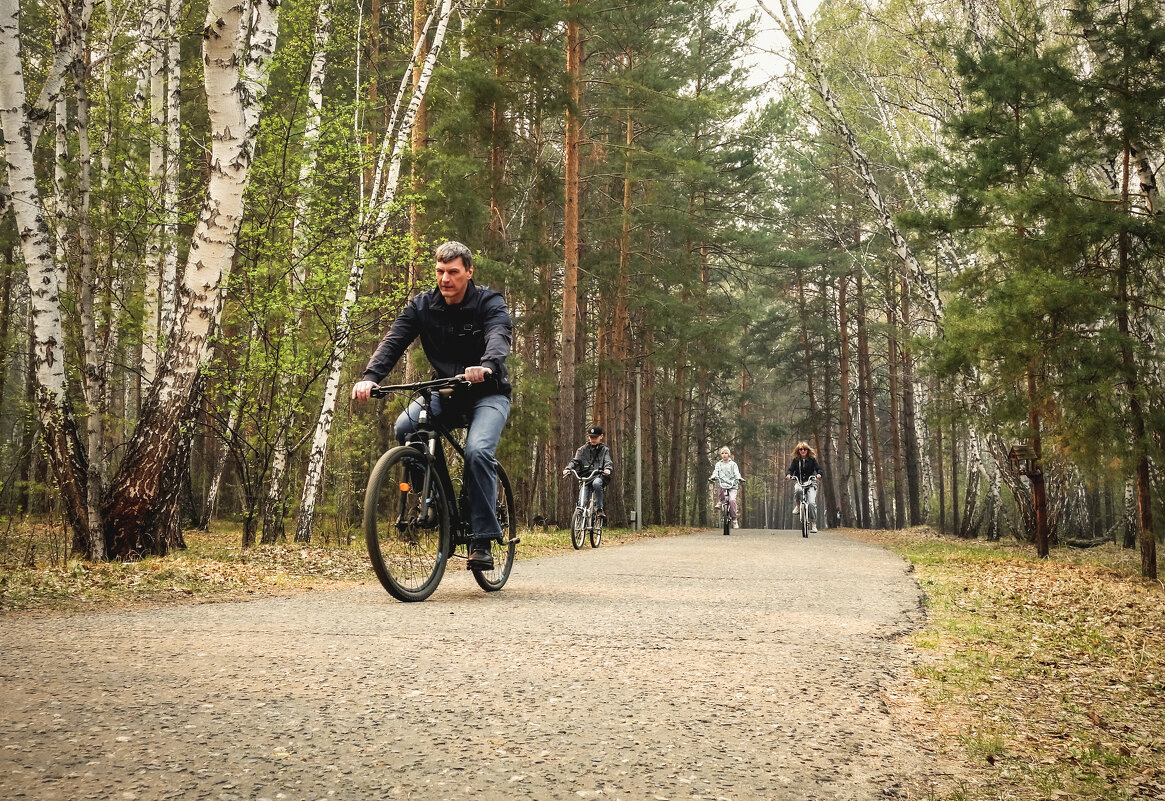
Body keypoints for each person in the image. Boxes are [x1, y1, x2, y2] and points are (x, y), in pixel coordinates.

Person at [351, 241, 512, 571]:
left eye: (453, 272)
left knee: (478, 451)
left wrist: (488, 365)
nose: (445, 279)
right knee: (405, 427)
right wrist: (370, 376)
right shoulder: (422, 305)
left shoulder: (489, 302)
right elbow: (395, 340)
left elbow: (499, 333)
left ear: (468, 271)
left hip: (487, 393)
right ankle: (433, 495)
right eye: (440, 271)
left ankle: (480, 540)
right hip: (444, 391)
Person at [563, 426, 614, 520]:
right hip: (586, 477)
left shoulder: (604, 450)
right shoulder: (582, 450)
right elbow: (575, 461)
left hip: (599, 475)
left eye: (595, 437)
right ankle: (579, 519)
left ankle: (599, 508)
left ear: (601, 436)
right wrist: (568, 468)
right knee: (582, 500)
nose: (593, 439)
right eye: (591, 437)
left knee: (597, 483)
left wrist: (607, 469)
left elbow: (608, 461)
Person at [786, 441, 824, 533]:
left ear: (807, 450)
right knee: (797, 490)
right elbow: (790, 470)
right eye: (801, 449)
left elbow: (818, 469)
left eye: (804, 449)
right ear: (798, 451)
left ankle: (813, 524)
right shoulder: (796, 460)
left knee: (811, 503)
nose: (803, 451)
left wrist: (819, 474)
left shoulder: (812, 459)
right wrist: (789, 475)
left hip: (810, 482)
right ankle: (798, 506)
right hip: (800, 482)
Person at [709, 446, 743, 529]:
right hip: (723, 483)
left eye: (726, 453)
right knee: (720, 488)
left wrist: (739, 478)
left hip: (732, 485)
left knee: (732, 500)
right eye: (723, 453)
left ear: (729, 454)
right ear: (721, 455)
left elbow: (736, 473)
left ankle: (734, 519)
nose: (724, 455)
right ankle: (721, 501)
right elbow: (715, 472)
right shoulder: (718, 464)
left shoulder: (733, 464)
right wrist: (712, 477)